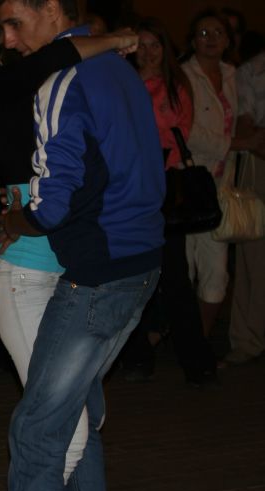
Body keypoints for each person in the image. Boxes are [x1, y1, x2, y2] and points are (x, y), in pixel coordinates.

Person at [0, 0, 164, 491]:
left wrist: (15, 216)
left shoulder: (63, 82)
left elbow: (52, 206)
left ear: (52, 9)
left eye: (16, 21)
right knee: (68, 422)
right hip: (139, 266)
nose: (8, 39)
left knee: (39, 436)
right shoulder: (120, 69)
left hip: (95, 275)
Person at [119, 18, 217, 387]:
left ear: (165, 48)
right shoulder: (123, 83)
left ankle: (196, 360)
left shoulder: (176, 86)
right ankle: (137, 354)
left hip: (163, 187)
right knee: (133, 275)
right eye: (141, 45)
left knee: (174, 275)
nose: (148, 52)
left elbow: (180, 133)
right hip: (130, 189)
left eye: (154, 45)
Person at [181, 10, 259, 339]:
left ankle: (198, 341)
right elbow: (186, 131)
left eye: (218, 33)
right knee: (184, 266)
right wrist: (238, 143)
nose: (211, 38)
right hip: (188, 182)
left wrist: (247, 137)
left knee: (217, 272)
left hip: (222, 184)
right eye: (203, 33)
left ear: (228, 40)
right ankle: (182, 340)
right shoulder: (183, 76)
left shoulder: (234, 75)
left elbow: (244, 117)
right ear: (192, 41)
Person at [222, 40, 265, 366]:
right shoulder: (252, 70)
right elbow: (246, 124)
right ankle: (248, 338)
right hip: (258, 163)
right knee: (255, 256)